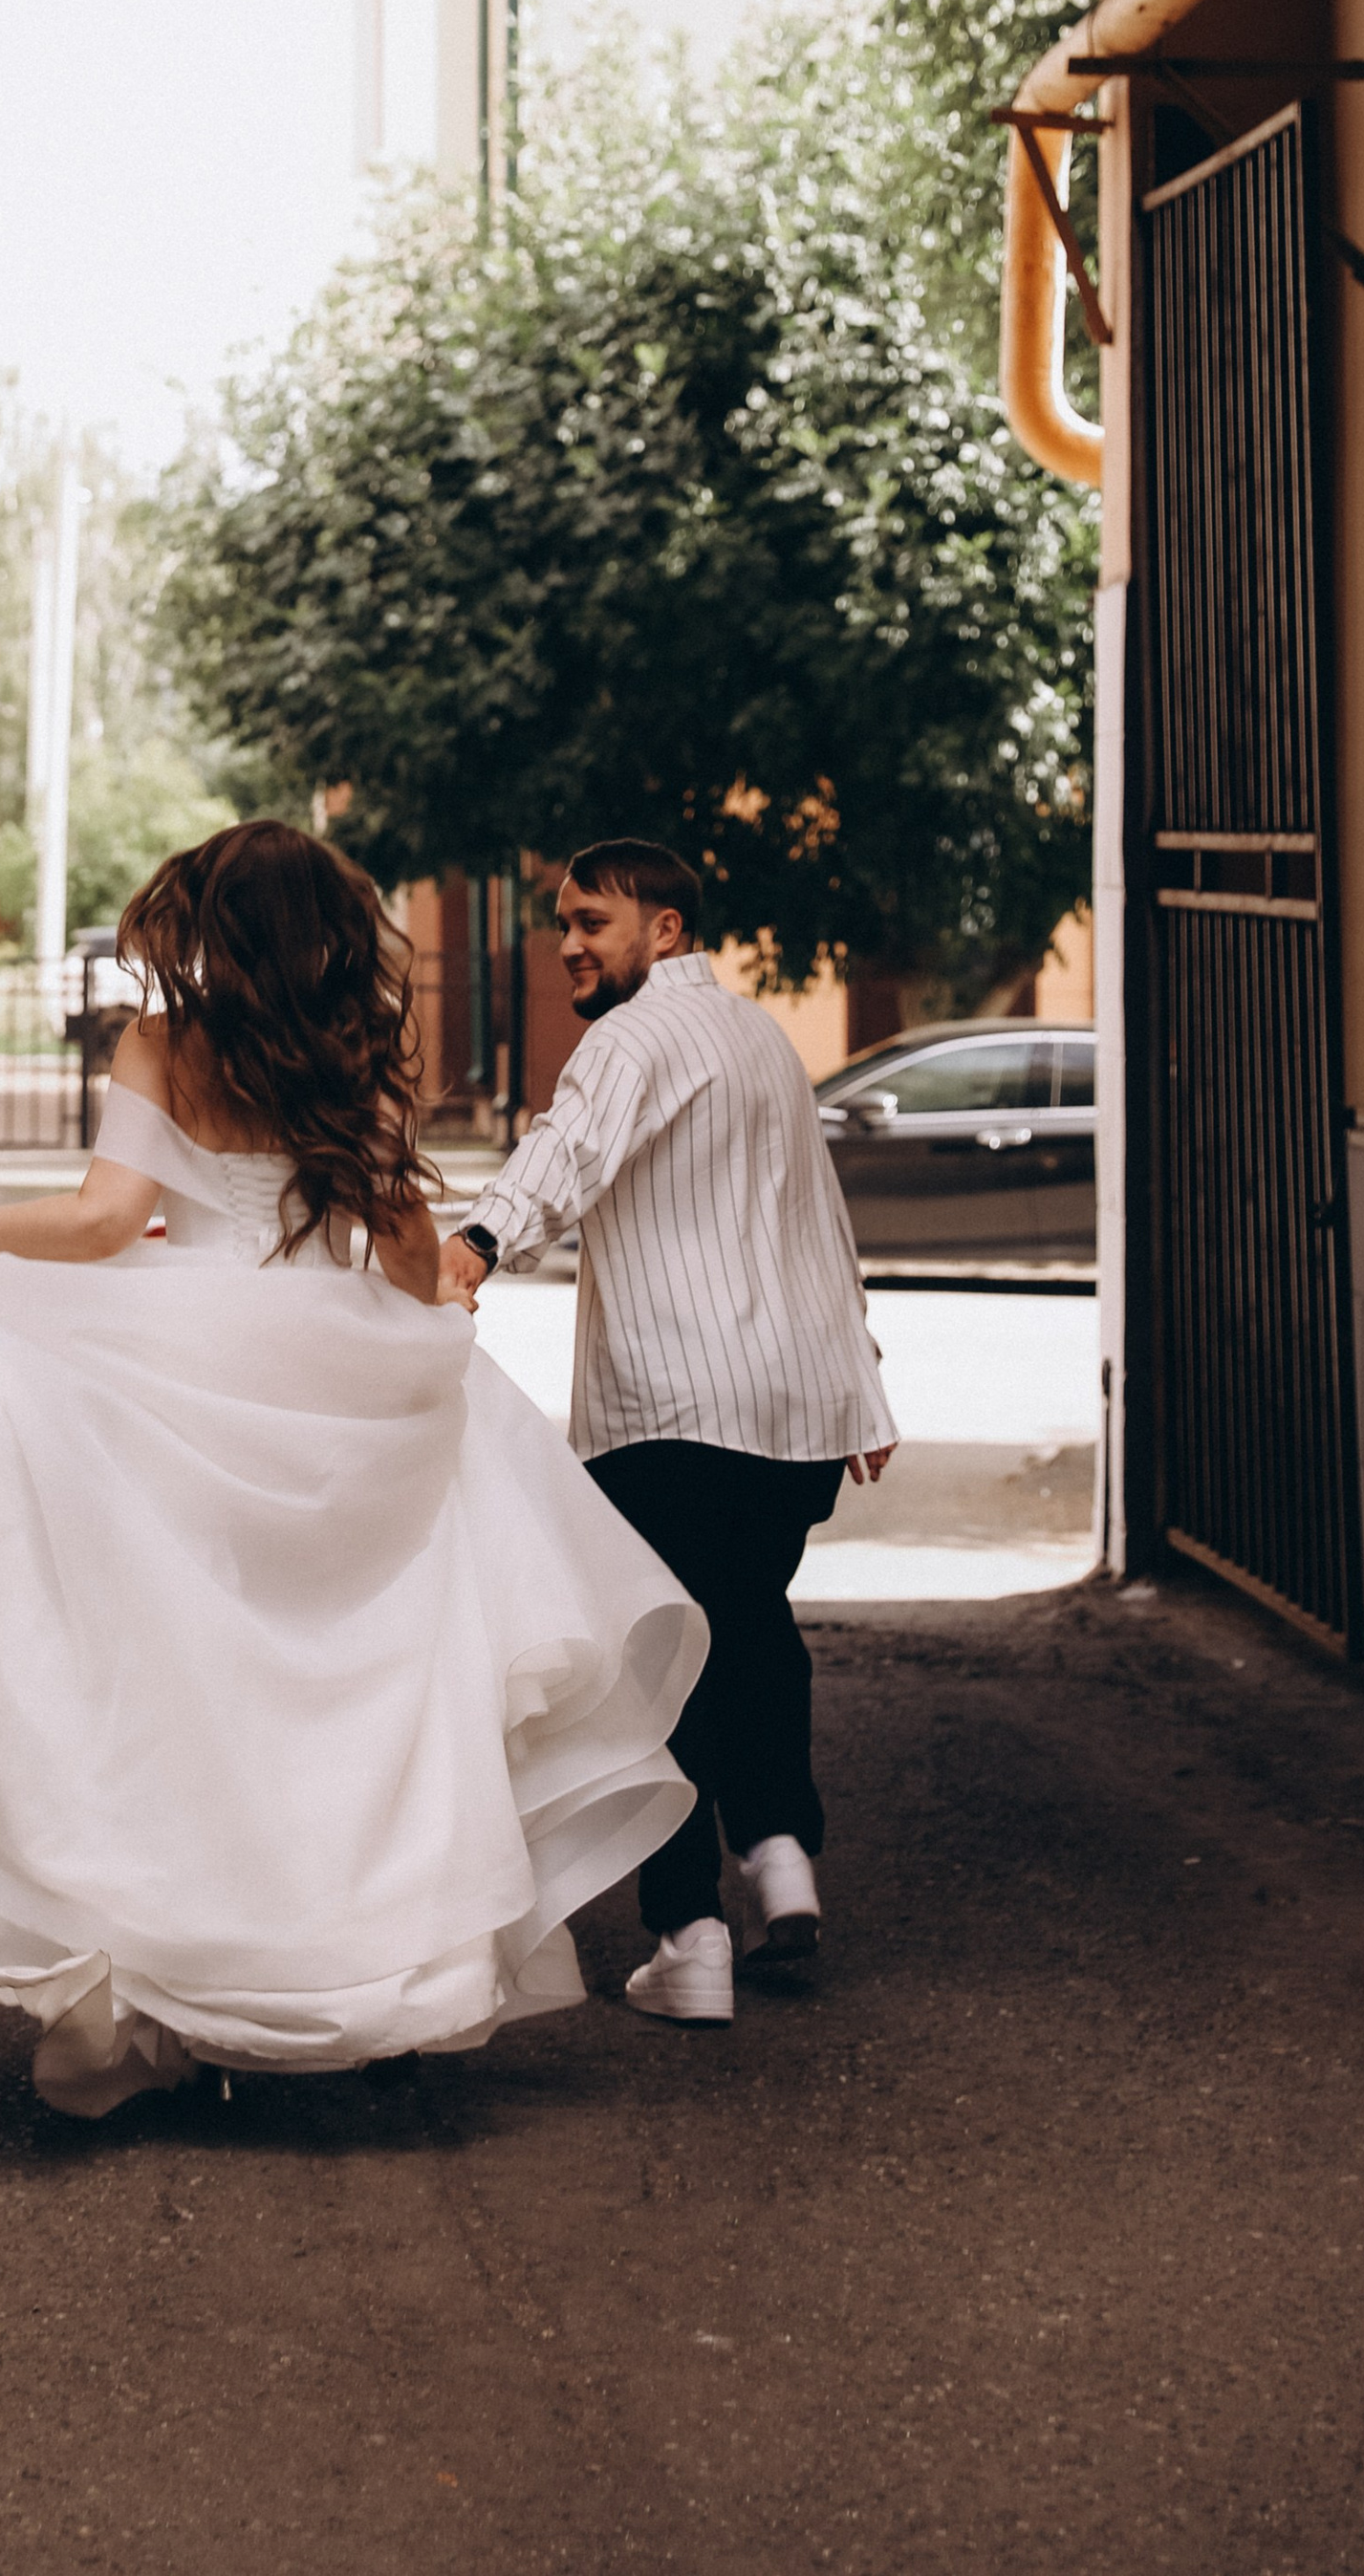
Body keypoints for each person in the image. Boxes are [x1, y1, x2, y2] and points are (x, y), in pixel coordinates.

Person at [0, 820, 706, 2115]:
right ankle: (370, 1985)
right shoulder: (357, 1057)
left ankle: (173, 1984)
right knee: (364, 1687)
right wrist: (438, 1289)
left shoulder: (165, 1043)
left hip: (180, 1365)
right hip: (335, 1372)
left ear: (210, 930)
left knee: (183, 1679)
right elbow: (403, 1255)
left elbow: (106, 1222)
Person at [440, 839, 897, 2030]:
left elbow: (565, 1153)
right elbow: (817, 1212)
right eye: (563, 925)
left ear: (668, 931)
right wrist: (862, 1372)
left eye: (592, 921)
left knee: (664, 1659)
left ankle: (691, 1933)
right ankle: (782, 1850)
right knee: (748, 1617)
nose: (571, 945)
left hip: (674, 1404)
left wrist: (473, 1247)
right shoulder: (762, 1039)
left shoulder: (629, 1040)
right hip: (792, 1408)